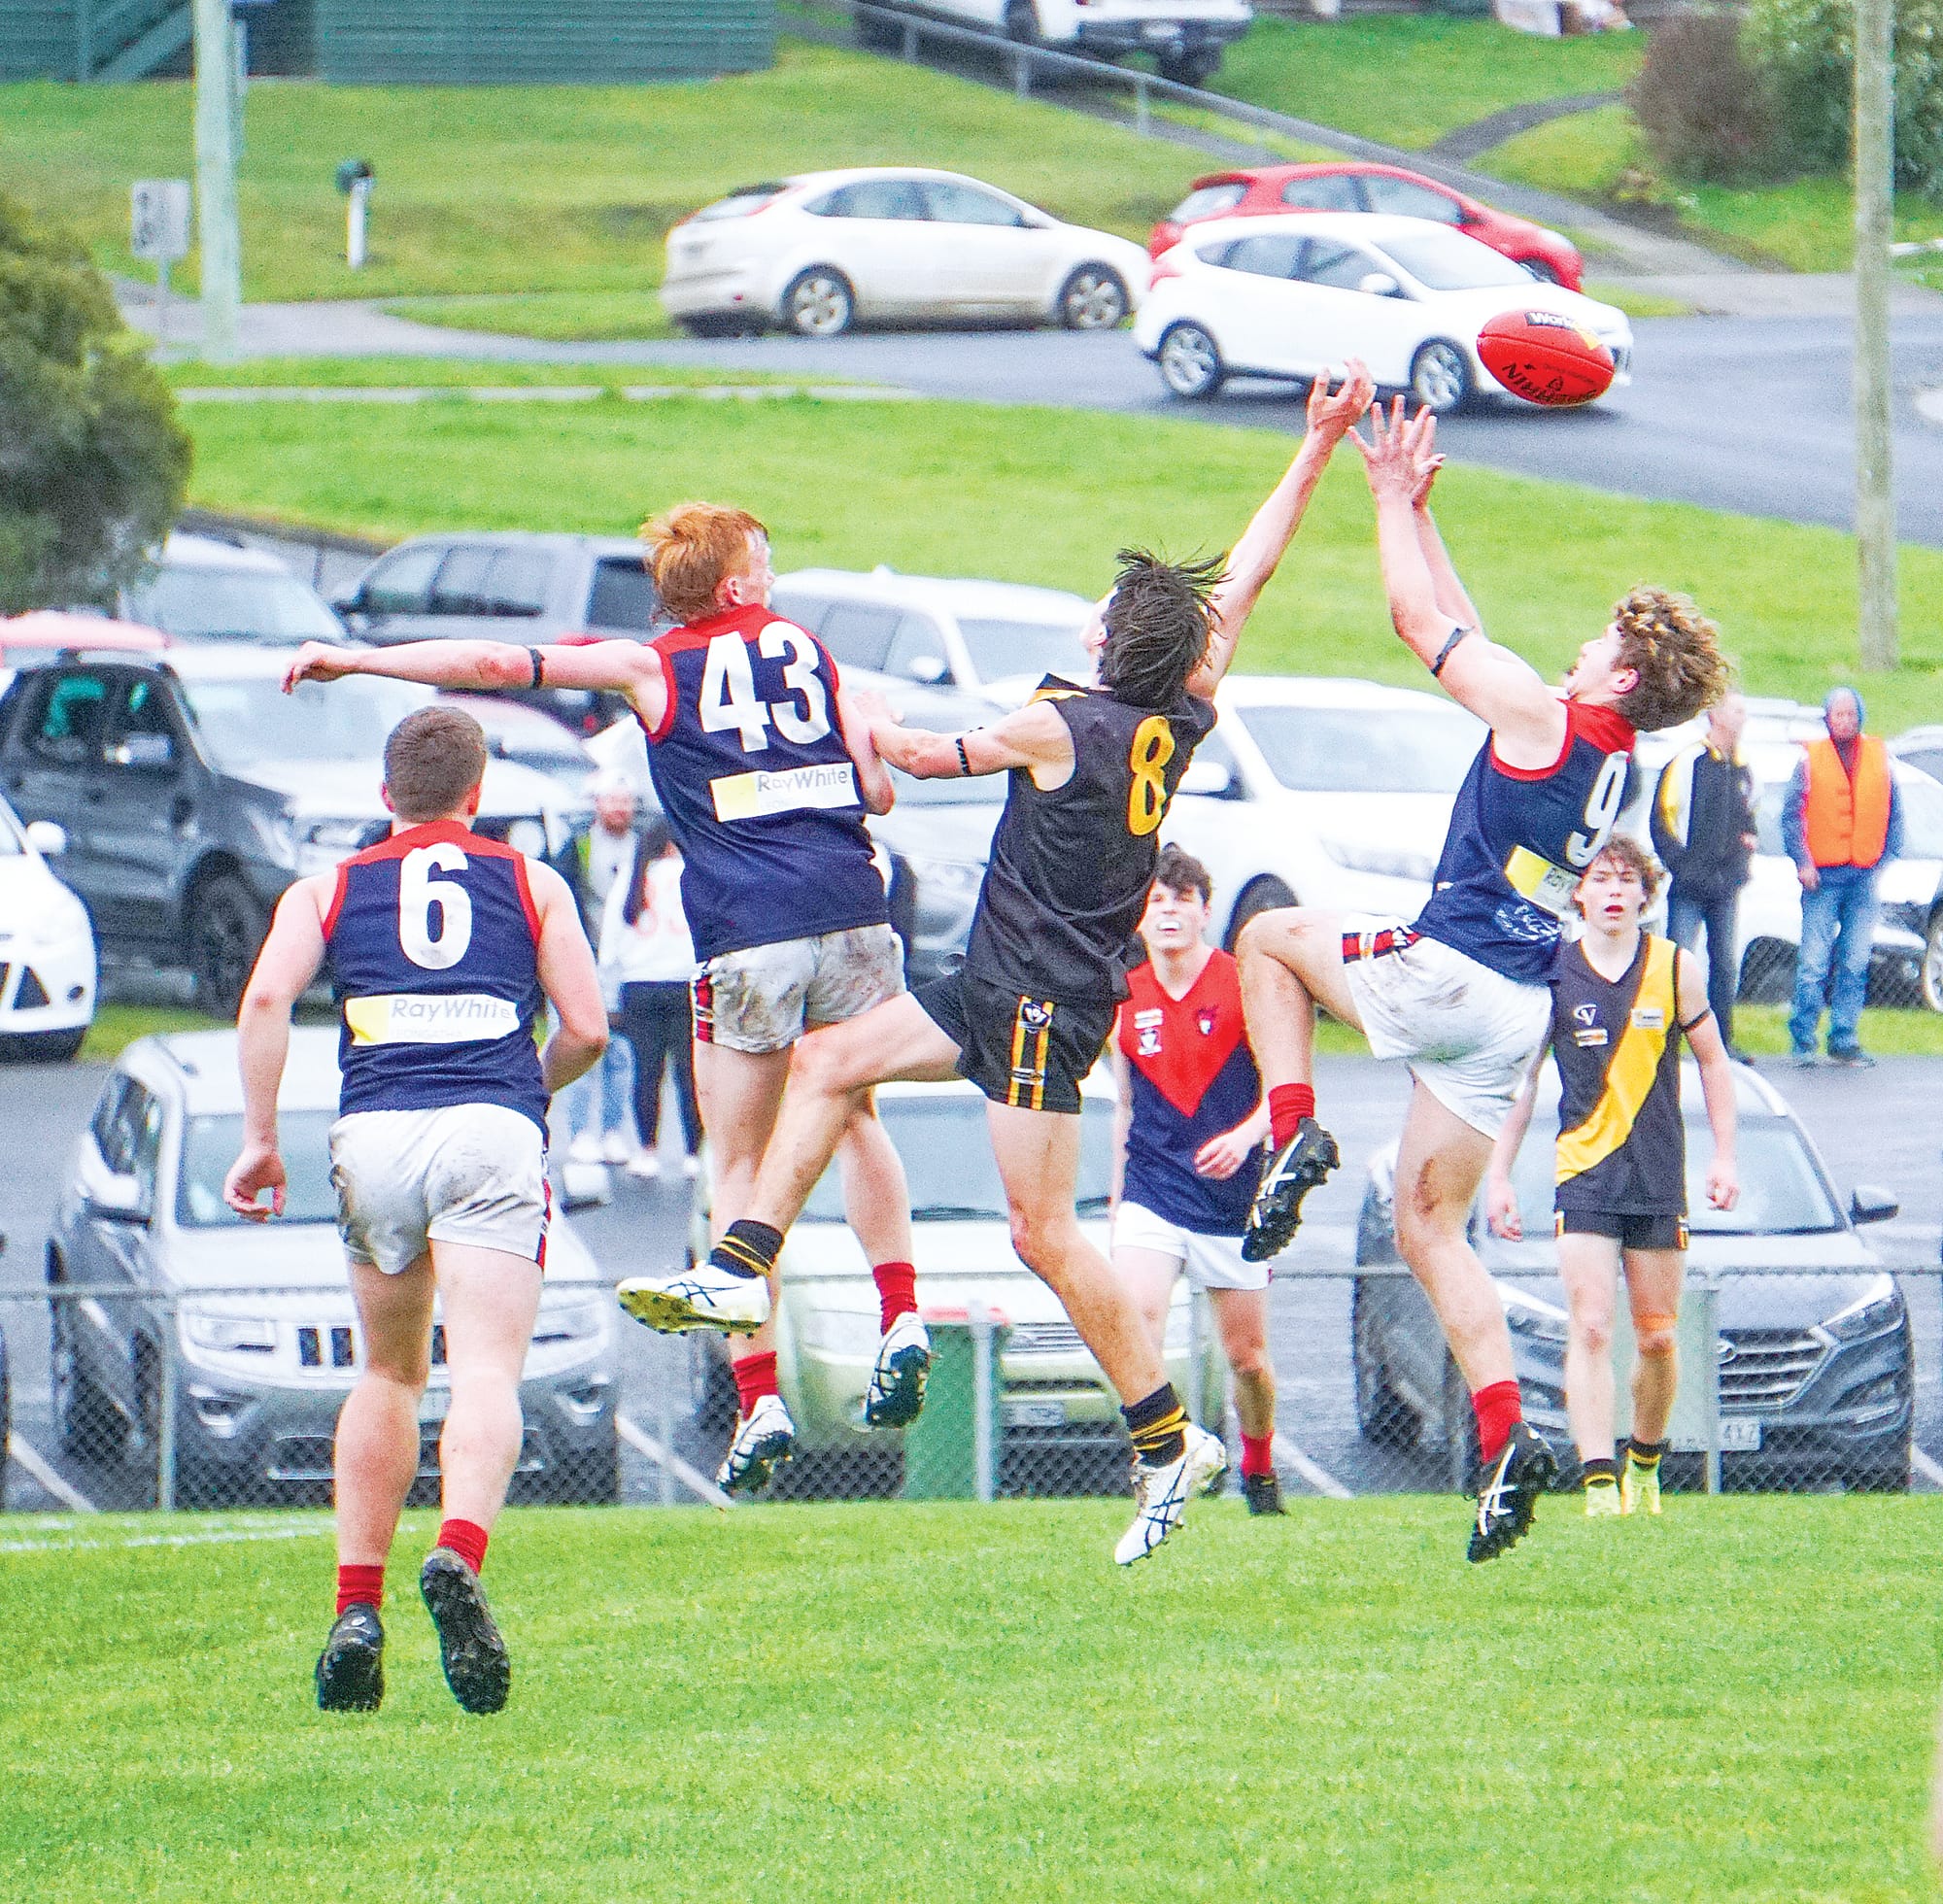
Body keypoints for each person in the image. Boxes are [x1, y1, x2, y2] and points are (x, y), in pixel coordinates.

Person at [616, 363, 1379, 1564]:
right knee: (824, 1063)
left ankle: (1169, 1442)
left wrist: (842, 709)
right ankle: (737, 1263)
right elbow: (1248, 572)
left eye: (1101, 607)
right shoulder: (1179, 704)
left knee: (1041, 1235)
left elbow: (916, 758)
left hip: (1038, 1000)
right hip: (998, 981)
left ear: (1106, 639)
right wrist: (1318, 442)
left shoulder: (1053, 724)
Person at [283, 503, 921, 1499]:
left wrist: (361, 660)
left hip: (748, 927)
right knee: (851, 1113)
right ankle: (903, 1311)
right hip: (849, 904)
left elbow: (499, 664)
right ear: (740, 587)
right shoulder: (806, 646)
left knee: (739, 1160)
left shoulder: (650, 667)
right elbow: (876, 786)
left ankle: (757, 1397)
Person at [1236, 399, 1730, 1563]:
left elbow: (1420, 622)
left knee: (1264, 941)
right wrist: (1417, 507)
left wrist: (1377, 503)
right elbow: (1472, 627)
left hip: (1447, 968)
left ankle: (1293, 1130)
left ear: (1622, 673)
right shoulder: (1605, 749)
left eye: (1601, 640)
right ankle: (1509, 1435)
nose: (1579, 645)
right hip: (1513, 1008)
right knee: (1426, 1225)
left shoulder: (1549, 720)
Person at [221, 705, 607, 1716]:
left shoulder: (328, 886)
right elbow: (590, 1026)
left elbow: (263, 1002)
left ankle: (356, 1606)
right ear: (478, 795)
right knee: (484, 1367)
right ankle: (457, 1552)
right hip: (487, 1121)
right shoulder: (530, 880)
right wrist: (528, 1086)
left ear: (385, 796)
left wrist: (261, 1139)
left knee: (388, 1371)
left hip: (376, 1130)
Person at [1484, 834, 1739, 1518]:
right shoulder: (1554, 973)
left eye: (1628, 880)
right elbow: (1523, 1084)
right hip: (1585, 1177)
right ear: (1580, 891)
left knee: (1657, 1335)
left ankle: (1646, 1463)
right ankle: (1598, 1484)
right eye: (1603, 878)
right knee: (1591, 1326)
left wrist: (1724, 1155)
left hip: (1658, 1179)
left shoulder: (1675, 967)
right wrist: (1499, 1177)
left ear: (1645, 894)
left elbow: (1715, 1062)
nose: (1615, 891)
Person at [1108, 846, 1281, 1516]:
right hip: (1154, 1189)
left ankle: (1259, 1467)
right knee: (1139, 1322)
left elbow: (1285, 1093)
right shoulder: (1124, 995)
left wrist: (1244, 1139)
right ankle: (1156, 1470)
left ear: (1206, 912)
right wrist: (1120, 1198)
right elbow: (1123, 1107)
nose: (1170, 911)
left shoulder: (1242, 983)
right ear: (1139, 917)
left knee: (1248, 1359)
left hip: (1234, 1201)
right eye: (1156, 900)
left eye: (1182, 898)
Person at [1783, 686, 1902, 1069]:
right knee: (1814, 964)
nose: (1845, 721)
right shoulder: (1809, 760)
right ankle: (1803, 1041)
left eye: (1851, 714)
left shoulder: (1880, 758)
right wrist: (1802, 861)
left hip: (1863, 878)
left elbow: (1894, 814)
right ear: (1827, 719)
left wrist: (1883, 861)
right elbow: (1791, 816)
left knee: (1855, 961)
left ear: (1860, 716)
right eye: (1838, 715)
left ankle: (1844, 1038)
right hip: (1821, 879)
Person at [1651, 690, 1756, 1063]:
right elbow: (1662, 818)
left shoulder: (1743, 767)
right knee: (1679, 959)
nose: (1743, 717)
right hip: (1690, 887)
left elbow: (1749, 823)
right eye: (1737, 709)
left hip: (1726, 888)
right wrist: (1684, 865)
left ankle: (1722, 1041)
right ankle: (1666, 1041)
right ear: (1716, 716)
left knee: (1725, 963)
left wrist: (1741, 866)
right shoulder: (1688, 761)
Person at [600, 816, 702, 1180]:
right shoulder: (691, 872)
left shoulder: (634, 873)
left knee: (646, 1073)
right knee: (689, 1072)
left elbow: (611, 935)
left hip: (640, 984)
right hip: (685, 983)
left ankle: (647, 1149)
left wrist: (609, 984)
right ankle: (694, 1152)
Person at [563, 772, 650, 1165]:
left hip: (628, 962)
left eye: (626, 801)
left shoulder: (644, 847)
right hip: (582, 957)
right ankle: (582, 1130)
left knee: (621, 1050)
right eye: (612, 800)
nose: (619, 809)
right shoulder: (578, 846)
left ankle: (615, 1130)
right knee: (580, 1040)